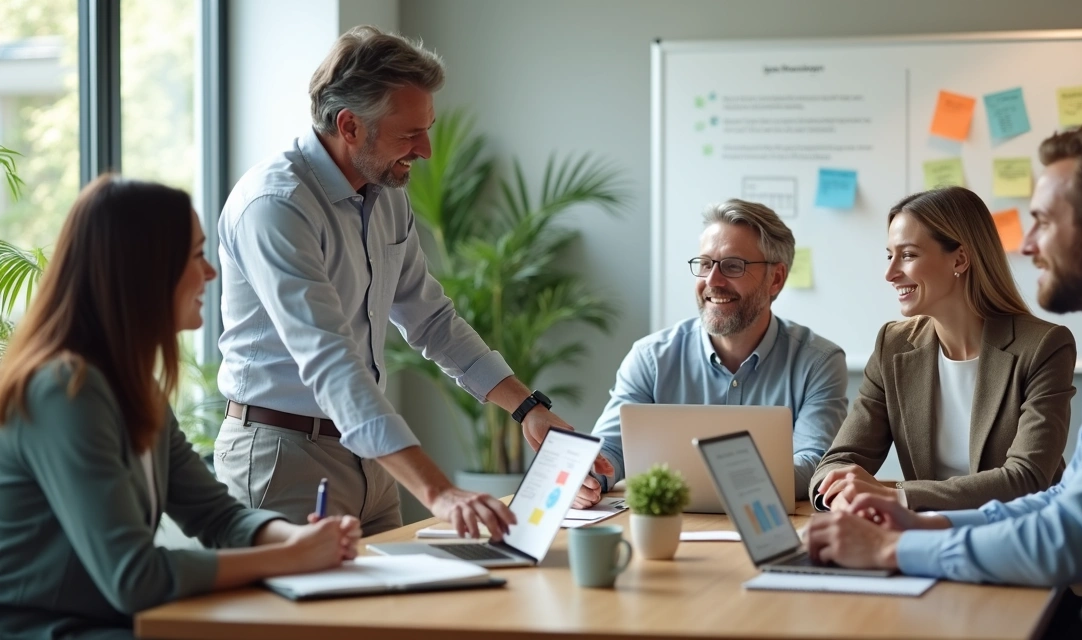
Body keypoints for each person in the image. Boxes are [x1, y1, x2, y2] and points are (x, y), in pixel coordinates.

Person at [805, 125, 1082, 639]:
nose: (1026, 245)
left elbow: (1063, 535)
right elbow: (1060, 500)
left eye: (1042, 221)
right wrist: (922, 522)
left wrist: (893, 546)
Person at [214, 25, 606, 537]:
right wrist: (438, 492)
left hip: (372, 458)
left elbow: (431, 320)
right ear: (349, 125)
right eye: (409, 133)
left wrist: (527, 408)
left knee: (391, 615)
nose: (424, 149)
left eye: (428, 128)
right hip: (283, 462)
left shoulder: (386, 192)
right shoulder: (277, 207)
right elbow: (331, 362)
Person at [0, 176, 361, 640]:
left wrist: (300, 539)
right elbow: (135, 578)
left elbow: (218, 516)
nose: (211, 273)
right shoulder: (65, 392)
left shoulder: (134, 386)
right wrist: (291, 558)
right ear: (145, 272)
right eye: (195, 255)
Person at [810, 186, 1076, 513]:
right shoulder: (892, 346)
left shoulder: (1043, 346)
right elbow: (838, 460)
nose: (890, 273)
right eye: (889, 255)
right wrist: (840, 494)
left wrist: (898, 498)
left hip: (1019, 537)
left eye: (907, 255)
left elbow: (1026, 477)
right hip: (924, 536)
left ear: (960, 259)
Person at [578, 198, 848, 507]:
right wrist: (588, 476)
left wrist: (721, 479)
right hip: (671, 531)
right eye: (705, 264)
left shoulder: (818, 362)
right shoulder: (650, 358)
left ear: (775, 279)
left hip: (770, 529)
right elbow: (610, 450)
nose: (712, 281)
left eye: (733, 266)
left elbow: (815, 462)